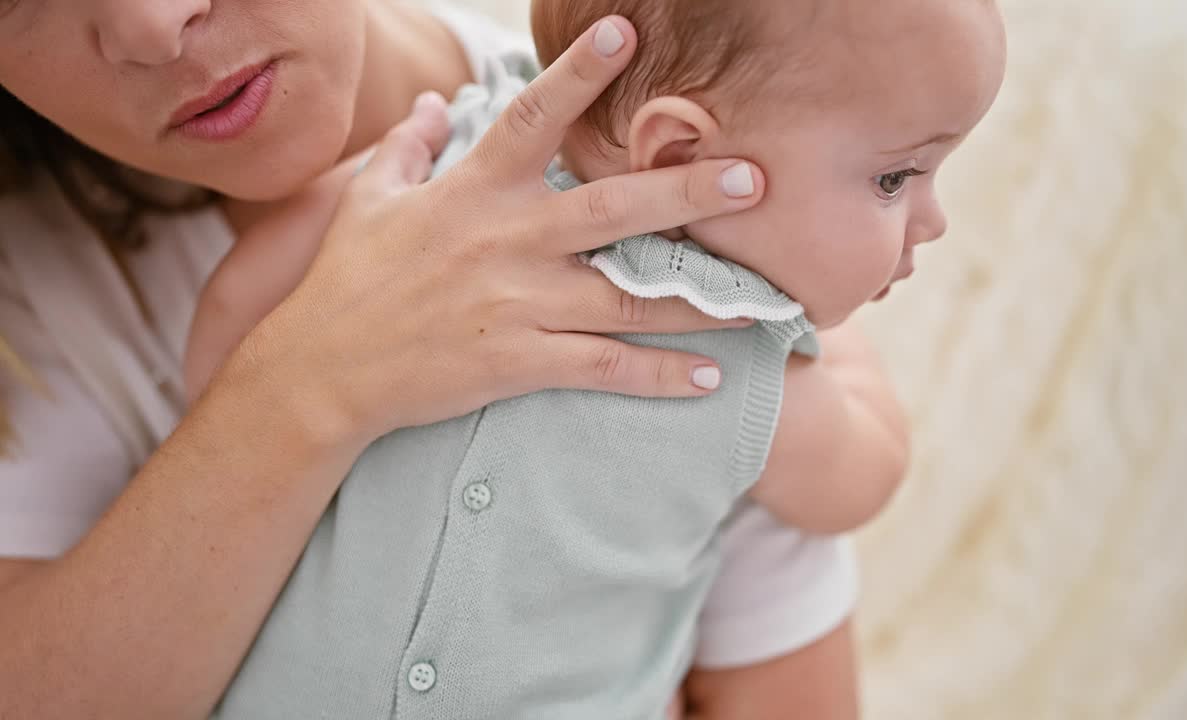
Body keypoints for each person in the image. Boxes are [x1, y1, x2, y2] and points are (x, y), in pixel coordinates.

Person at [0, 2, 873, 718]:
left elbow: (784, 675)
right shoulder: (33, 289)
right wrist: (312, 376)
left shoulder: (667, 168)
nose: (151, 24)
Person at [181, 0, 1004, 717]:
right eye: (896, 178)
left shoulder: (438, 166)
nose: (932, 220)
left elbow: (231, 316)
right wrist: (840, 367)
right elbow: (861, 478)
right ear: (680, 155)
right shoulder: (742, 370)